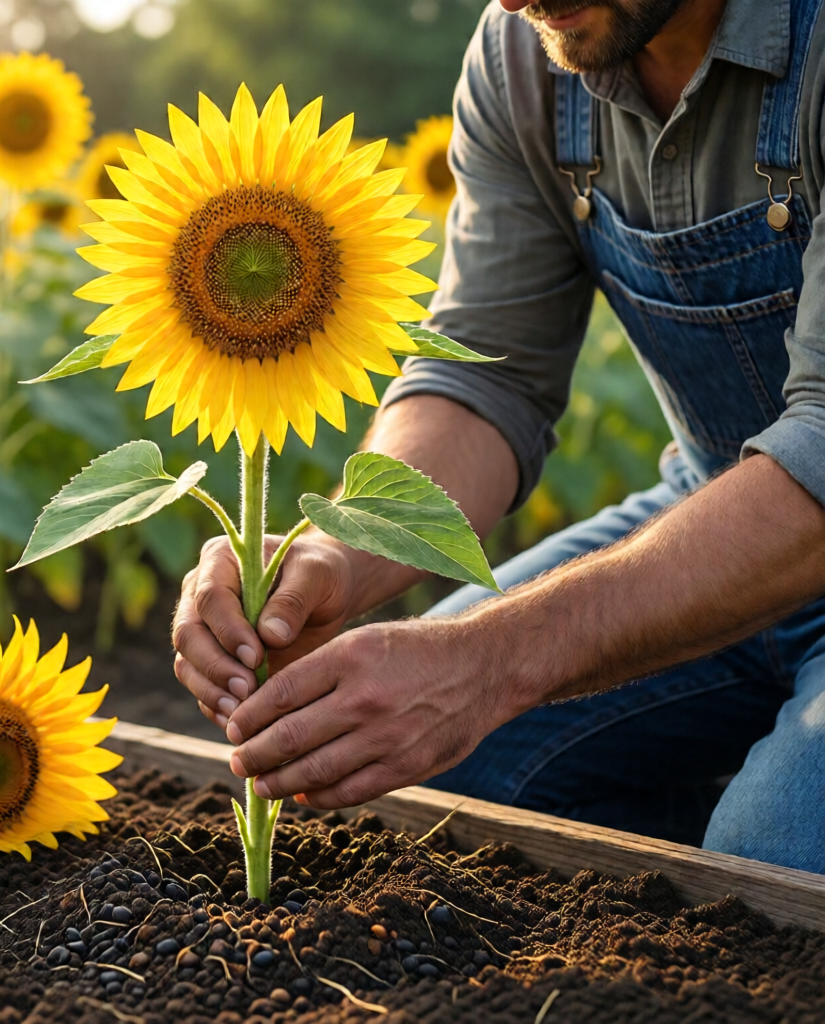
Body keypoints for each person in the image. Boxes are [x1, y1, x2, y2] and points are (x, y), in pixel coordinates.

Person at [171, 0, 825, 873]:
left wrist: (489, 664)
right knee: (426, 774)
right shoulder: (525, 54)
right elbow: (488, 377)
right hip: (701, 520)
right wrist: (338, 551)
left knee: (776, 862)